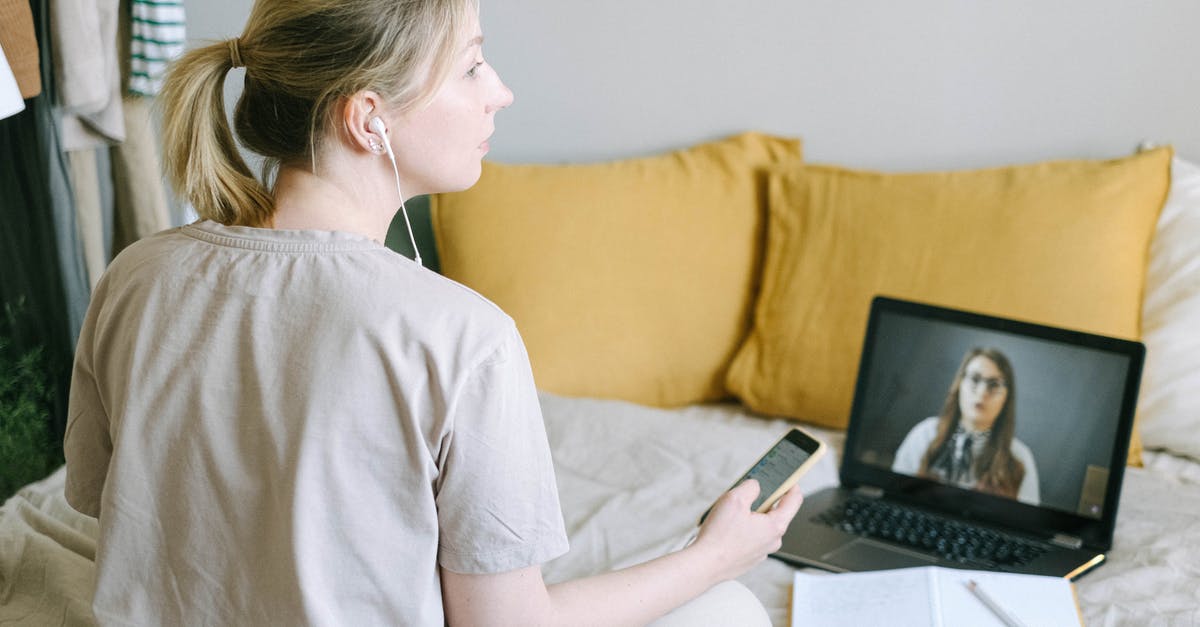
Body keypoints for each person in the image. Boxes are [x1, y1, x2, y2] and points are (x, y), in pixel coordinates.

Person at [61, 1, 801, 624]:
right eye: (473, 65)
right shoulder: (463, 338)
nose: (500, 92)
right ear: (368, 119)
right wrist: (711, 557)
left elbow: (108, 506)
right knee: (730, 607)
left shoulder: (130, 277)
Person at [891, 347, 1040, 505]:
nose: (982, 392)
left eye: (994, 384)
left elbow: (1027, 522)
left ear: (1006, 398)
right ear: (959, 384)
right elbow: (893, 495)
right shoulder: (925, 434)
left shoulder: (1020, 457)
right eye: (975, 379)